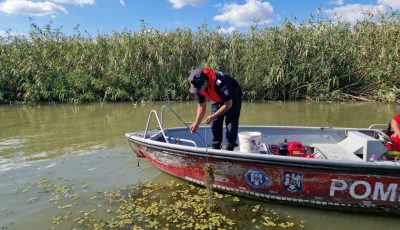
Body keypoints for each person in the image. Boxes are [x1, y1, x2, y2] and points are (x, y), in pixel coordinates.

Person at [187, 68, 242, 151]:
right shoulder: (198, 86)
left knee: (231, 123)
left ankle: (230, 149)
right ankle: (216, 148)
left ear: (205, 82)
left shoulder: (219, 84)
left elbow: (228, 104)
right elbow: (201, 105)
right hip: (216, 97)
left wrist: (213, 116)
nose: (198, 91)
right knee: (214, 124)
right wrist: (196, 123)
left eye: (199, 88)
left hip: (232, 96)